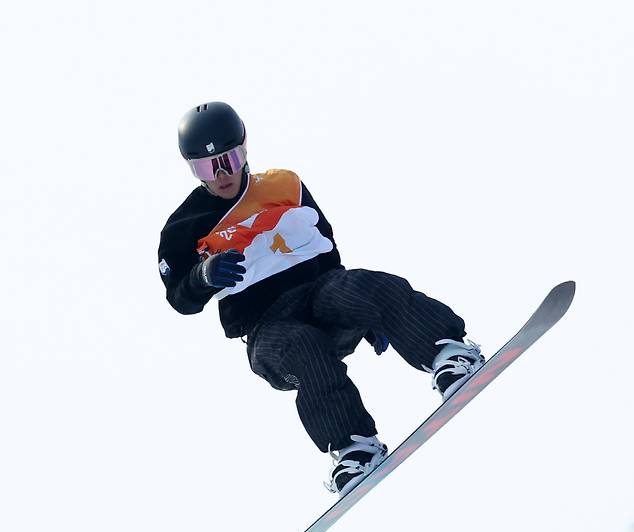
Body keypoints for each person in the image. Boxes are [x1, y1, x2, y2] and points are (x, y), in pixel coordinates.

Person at [158, 102, 484, 495]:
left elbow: (327, 250)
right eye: (210, 167)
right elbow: (180, 298)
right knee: (304, 348)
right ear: (193, 169)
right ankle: (352, 447)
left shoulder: (285, 186)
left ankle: (447, 353)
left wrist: (366, 316)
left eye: (229, 158)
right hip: (267, 329)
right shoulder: (183, 226)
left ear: (245, 150)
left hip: (318, 294)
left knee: (366, 285)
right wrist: (202, 275)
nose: (224, 174)